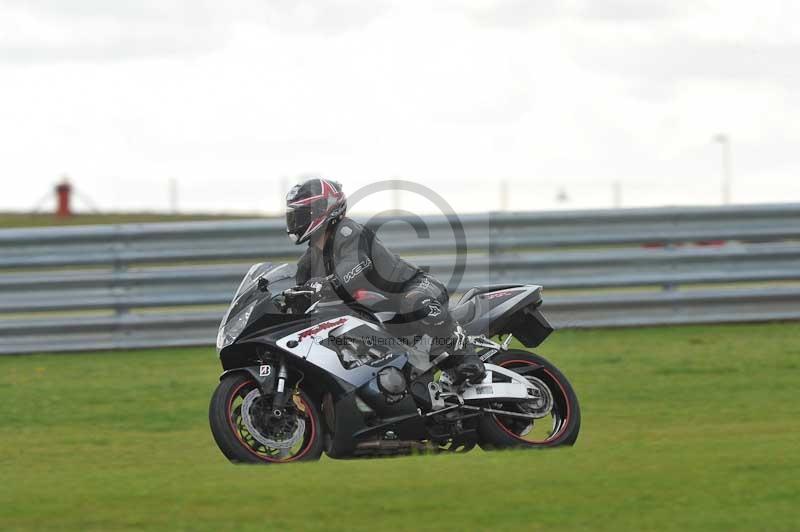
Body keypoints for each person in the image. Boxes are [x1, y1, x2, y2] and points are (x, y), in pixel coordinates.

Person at [285, 178, 485, 384]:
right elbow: (301, 296)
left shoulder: (348, 231)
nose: (296, 220)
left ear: (323, 209)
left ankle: (466, 355)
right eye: (294, 215)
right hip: (380, 314)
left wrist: (325, 285)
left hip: (414, 286)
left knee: (415, 301)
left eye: (302, 214)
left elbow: (359, 263)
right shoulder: (308, 261)